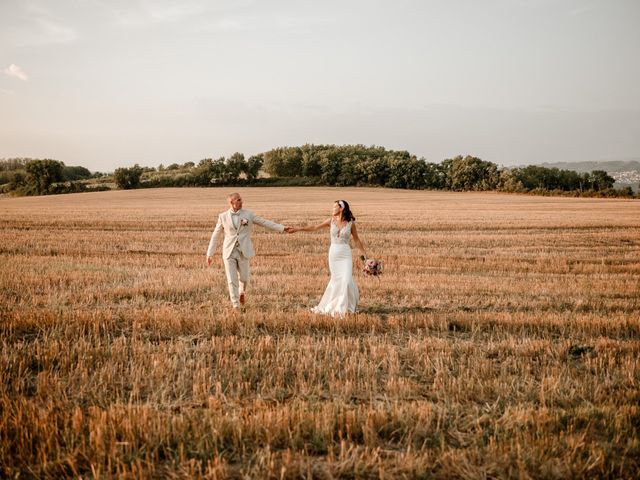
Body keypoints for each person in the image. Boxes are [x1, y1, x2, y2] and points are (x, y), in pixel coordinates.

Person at [206, 193, 291, 311]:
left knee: (244, 278)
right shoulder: (223, 216)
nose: (242, 202)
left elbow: (264, 222)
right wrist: (210, 253)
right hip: (229, 252)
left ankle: (242, 292)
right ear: (232, 202)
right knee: (231, 279)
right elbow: (215, 235)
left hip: (243, 251)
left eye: (241, 199)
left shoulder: (248, 214)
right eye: (239, 200)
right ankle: (236, 306)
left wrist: (282, 228)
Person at [289, 200, 368, 316]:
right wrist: (297, 229)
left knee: (346, 280)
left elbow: (356, 239)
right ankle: (336, 306)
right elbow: (314, 227)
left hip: (345, 254)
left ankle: (345, 307)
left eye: (334, 207)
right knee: (336, 280)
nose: (332, 209)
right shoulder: (330, 221)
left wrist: (365, 255)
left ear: (341, 208)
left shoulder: (351, 223)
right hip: (334, 254)